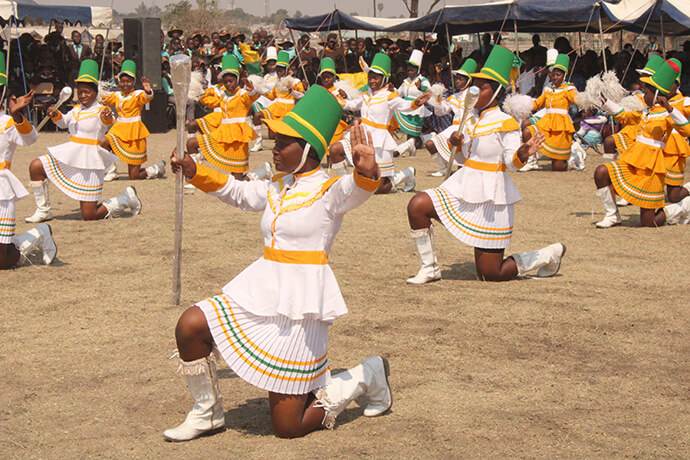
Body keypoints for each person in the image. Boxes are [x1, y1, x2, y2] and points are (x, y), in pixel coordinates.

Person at [164, 86, 391, 441]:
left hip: (301, 307)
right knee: (191, 325)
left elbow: (359, 189)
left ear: (308, 150)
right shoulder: (275, 187)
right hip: (262, 288)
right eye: (275, 140)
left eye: (284, 142)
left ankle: (364, 376)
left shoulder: (330, 192)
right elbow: (238, 192)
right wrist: (195, 170)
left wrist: (367, 170)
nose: (274, 148)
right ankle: (206, 412)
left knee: (288, 427)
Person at [405, 46, 566, 284]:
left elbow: (512, 164)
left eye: (482, 88)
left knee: (490, 274)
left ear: (497, 92)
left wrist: (522, 152)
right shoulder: (469, 119)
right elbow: (461, 160)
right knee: (417, 205)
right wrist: (455, 145)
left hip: (493, 198)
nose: (475, 92)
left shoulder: (506, 123)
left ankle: (546, 255)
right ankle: (429, 268)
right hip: (464, 185)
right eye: (475, 86)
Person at [25, 60, 142, 222]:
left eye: (87, 92)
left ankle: (125, 199)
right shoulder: (75, 110)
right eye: (80, 92)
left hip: (90, 162)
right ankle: (43, 210)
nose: (83, 96)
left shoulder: (101, 110)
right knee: (36, 166)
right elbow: (63, 122)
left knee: (89, 215)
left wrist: (107, 117)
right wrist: (55, 114)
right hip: (71, 154)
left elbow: (108, 121)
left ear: (95, 92)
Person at [595, 59, 690, 228]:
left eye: (645, 91)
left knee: (649, 222)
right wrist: (605, 102)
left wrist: (669, 108)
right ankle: (612, 215)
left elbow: (687, 130)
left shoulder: (668, 115)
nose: (641, 93)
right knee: (602, 172)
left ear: (655, 94)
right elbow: (624, 115)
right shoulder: (645, 112)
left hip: (652, 170)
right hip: (634, 161)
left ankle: (682, 207)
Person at [328, 53, 426, 194]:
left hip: (379, 141)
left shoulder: (390, 96)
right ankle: (343, 185)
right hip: (360, 135)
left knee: (378, 188)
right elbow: (353, 104)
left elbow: (405, 105)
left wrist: (416, 103)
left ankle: (405, 174)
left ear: (384, 79)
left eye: (376, 78)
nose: (372, 81)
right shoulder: (366, 94)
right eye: (370, 77)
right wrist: (339, 100)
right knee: (335, 149)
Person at [0, 78, 57, 269]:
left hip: (1, 192)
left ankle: (39, 233)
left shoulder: (7, 123)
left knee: (3, 261)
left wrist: (17, 116)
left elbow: (30, 138)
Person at [184, 55, 269, 181]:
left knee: (238, 181)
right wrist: (198, 91)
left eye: (231, 81)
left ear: (237, 80)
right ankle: (197, 175)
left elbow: (251, 97)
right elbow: (209, 101)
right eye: (226, 81)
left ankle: (262, 172)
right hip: (222, 134)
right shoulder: (222, 95)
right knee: (191, 143)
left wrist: (252, 90)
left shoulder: (242, 94)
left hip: (237, 139)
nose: (228, 84)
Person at [100, 60, 165, 181]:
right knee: (102, 142)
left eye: (128, 81)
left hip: (134, 132)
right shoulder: (117, 95)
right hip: (118, 130)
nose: (125, 84)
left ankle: (156, 169)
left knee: (134, 176)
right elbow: (102, 99)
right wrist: (96, 89)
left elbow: (147, 97)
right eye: (123, 81)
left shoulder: (137, 94)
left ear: (133, 82)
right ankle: (112, 171)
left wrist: (148, 90)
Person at [522, 54, 579, 171]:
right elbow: (537, 104)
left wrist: (586, 99)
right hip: (547, 123)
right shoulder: (548, 89)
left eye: (558, 75)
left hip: (561, 127)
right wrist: (519, 104)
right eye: (553, 75)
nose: (555, 78)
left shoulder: (569, 90)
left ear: (564, 76)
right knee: (527, 131)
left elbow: (578, 100)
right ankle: (531, 161)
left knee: (557, 167)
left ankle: (574, 158)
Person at [426, 58, 477, 177]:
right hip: (455, 126)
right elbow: (441, 112)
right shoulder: (454, 96)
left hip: (469, 127)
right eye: (456, 78)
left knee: (464, 161)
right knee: (430, 144)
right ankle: (443, 167)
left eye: (461, 78)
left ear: (468, 80)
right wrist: (437, 98)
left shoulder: (474, 94)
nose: (457, 81)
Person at [251, 51, 305, 146]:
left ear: (287, 69)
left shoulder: (295, 81)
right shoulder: (277, 82)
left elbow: (302, 95)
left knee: (276, 137)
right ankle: (258, 144)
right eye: (278, 70)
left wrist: (291, 90)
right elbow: (272, 97)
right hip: (275, 108)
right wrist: (258, 88)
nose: (279, 72)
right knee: (257, 115)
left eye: (281, 69)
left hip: (288, 110)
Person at [660, 63, 690, 204]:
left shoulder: (685, 101)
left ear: (676, 84)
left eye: (669, 84)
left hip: (675, 149)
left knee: (673, 197)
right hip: (660, 146)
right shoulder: (657, 101)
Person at [393, 49, 431, 157]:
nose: (410, 70)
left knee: (413, 132)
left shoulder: (423, 80)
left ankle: (407, 148)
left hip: (417, 108)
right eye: (408, 67)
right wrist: (391, 90)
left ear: (418, 69)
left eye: (413, 68)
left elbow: (429, 91)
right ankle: (409, 148)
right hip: (406, 107)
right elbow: (399, 93)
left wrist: (421, 87)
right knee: (407, 130)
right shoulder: (406, 81)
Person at [249, 46, 279, 152]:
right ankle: (258, 142)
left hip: (275, 101)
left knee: (272, 135)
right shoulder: (265, 76)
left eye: (273, 64)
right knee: (254, 107)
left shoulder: (279, 76)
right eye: (269, 64)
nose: (271, 67)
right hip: (266, 99)